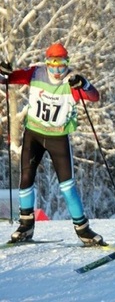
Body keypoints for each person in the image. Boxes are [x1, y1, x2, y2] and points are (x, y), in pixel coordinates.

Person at [0, 43, 105, 246]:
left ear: (68, 63)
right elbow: (8, 78)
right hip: (34, 135)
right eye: (53, 64)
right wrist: (3, 71)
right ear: (46, 63)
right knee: (26, 178)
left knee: (67, 186)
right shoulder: (36, 74)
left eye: (62, 65)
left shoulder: (72, 81)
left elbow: (94, 97)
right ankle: (25, 225)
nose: (57, 70)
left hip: (58, 138)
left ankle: (83, 230)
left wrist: (84, 85)